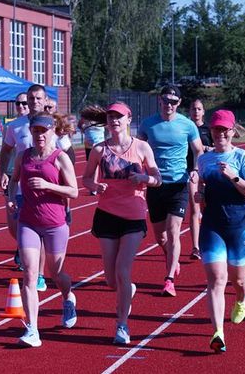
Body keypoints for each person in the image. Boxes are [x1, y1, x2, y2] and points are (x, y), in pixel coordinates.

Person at [82, 102, 161, 344]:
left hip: (134, 215)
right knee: (110, 280)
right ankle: (127, 290)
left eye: (119, 116)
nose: (114, 120)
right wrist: (95, 186)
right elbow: (86, 178)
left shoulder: (142, 147)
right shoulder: (98, 150)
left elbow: (158, 178)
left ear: (129, 119)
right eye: (111, 117)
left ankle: (122, 326)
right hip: (106, 214)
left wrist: (145, 178)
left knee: (123, 270)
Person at [6, 113, 79, 347]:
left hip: (55, 223)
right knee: (29, 275)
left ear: (52, 132)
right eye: (36, 131)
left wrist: (48, 185)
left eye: (44, 131)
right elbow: (14, 179)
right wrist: (11, 198)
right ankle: (33, 330)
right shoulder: (23, 156)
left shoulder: (60, 158)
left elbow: (74, 191)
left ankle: (68, 297)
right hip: (28, 221)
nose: (40, 135)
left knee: (56, 274)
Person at [195, 110, 245, 353]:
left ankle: (242, 298)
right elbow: (202, 188)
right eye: (216, 129)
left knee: (237, 279)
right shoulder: (204, 159)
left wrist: (234, 177)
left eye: (224, 130)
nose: (220, 134)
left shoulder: (243, 158)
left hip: (240, 227)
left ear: (232, 131)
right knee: (216, 280)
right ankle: (218, 332)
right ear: (211, 131)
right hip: (212, 226)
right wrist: (200, 196)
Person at [137, 85, 203, 296]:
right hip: (155, 184)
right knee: (161, 237)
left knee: (174, 230)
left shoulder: (188, 125)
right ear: (160, 100)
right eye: (166, 100)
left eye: (173, 102)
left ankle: (169, 280)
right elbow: (138, 150)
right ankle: (172, 260)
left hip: (178, 184)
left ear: (179, 103)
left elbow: (198, 149)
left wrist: (194, 169)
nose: (169, 105)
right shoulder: (148, 124)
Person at [0, 84, 59, 291]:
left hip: (44, 189)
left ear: (44, 100)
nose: (33, 102)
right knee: (14, 228)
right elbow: (6, 150)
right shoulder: (16, 126)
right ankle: (27, 254)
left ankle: (39, 274)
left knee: (37, 231)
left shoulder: (53, 124)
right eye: (30, 99)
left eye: (37, 99)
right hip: (19, 184)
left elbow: (66, 152)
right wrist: (3, 173)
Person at [2, 93, 29, 270]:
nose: (21, 106)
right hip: (13, 176)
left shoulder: (42, 124)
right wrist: (3, 172)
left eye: (24, 103)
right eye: (17, 103)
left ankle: (27, 251)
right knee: (13, 224)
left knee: (28, 222)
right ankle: (22, 244)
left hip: (34, 179)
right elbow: (5, 150)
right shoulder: (12, 126)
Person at [187, 99, 214, 260]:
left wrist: (208, 148)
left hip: (207, 173)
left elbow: (218, 147)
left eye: (199, 109)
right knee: (194, 209)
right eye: (193, 108)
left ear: (203, 112)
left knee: (207, 210)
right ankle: (196, 247)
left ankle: (209, 241)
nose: (196, 111)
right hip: (191, 172)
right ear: (189, 111)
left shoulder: (208, 129)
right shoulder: (185, 128)